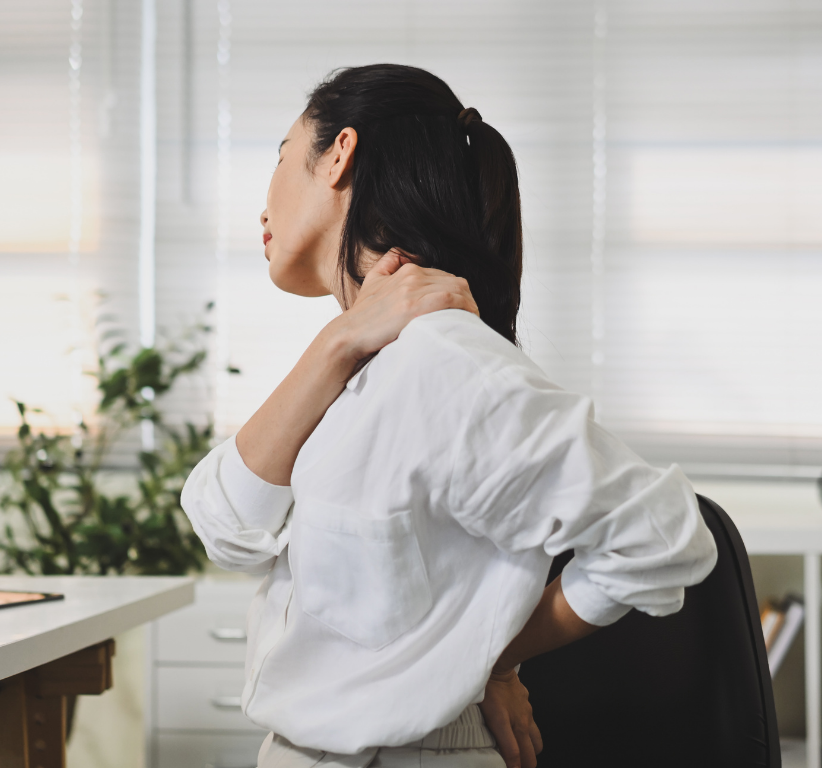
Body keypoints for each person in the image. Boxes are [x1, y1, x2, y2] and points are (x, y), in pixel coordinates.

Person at [180, 64, 716, 768]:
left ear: (339, 154)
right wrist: (339, 341)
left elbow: (663, 537)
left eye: (282, 154)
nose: (261, 205)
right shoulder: (358, 363)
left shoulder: (445, 362)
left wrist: (490, 657)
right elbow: (225, 524)